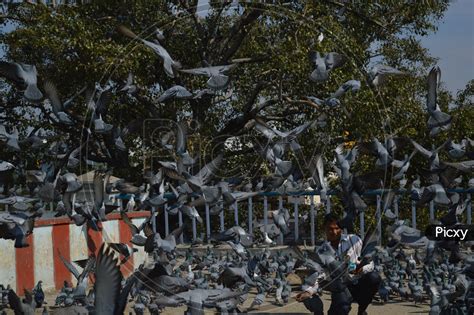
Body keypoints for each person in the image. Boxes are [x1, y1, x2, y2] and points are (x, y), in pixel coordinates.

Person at [295, 213, 381, 315]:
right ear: (325, 229)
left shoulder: (354, 240)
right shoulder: (321, 251)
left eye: (337, 228)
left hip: (358, 281)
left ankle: (362, 310)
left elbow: (370, 263)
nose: (334, 232)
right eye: (330, 229)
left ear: (341, 228)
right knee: (342, 308)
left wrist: (362, 268)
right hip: (341, 286)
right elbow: (319, 276)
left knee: (374, 277)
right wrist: (309, 291)